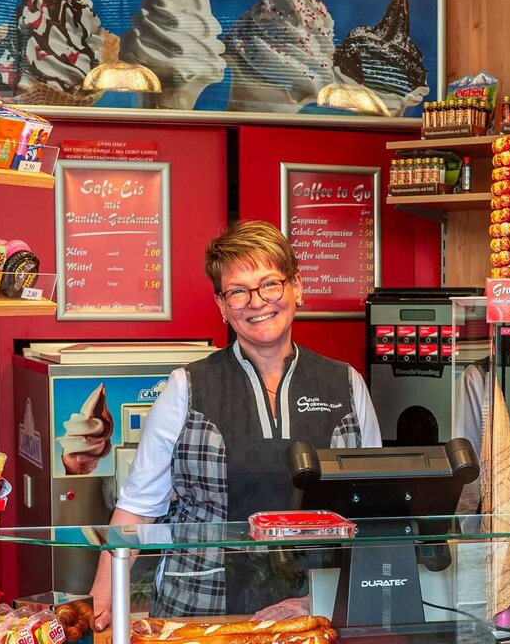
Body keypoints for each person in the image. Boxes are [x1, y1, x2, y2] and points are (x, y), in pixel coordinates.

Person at [90, 220, 381, 629]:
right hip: (198, 611)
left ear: (296, 287)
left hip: (314, 612)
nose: (256, 302)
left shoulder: (346, 384)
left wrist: (321, 597)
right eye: (238, 291)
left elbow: (369, 515)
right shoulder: (187, 386)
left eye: (270, 284)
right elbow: (139, 507)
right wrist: (104, 598)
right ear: (222, 306)